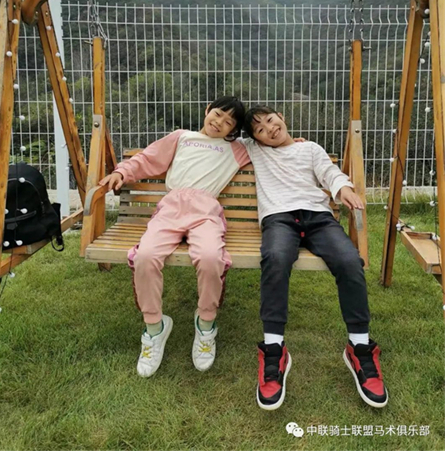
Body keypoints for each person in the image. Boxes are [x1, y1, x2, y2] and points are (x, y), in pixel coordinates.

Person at [240, 105, 388, 411]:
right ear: (256, 139)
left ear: (281, 116)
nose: (269, 129)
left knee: (350, 261)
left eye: (270, 120)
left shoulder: (309, 149)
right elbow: (222, 134)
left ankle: (359, 347)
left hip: (318, 217)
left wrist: (343, 189)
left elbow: (329, 172)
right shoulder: (255, 150)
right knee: (276, 257)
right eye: (260, 129)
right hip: (279, 219)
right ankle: (274, 349)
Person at [100, 96, 250, 378]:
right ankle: (155, 327)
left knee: (210, 257)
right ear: (207, 110)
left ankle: (206, 324)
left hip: (205, 213)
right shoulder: (182, 137)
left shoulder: (237, 149)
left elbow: (269, 147)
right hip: (171, 209)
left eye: (229, 122)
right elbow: (147, 159)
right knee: (146, 256)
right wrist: (122, 171)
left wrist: (292, 142)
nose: (219, 122)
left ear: (233, 130)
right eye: (218, 114)